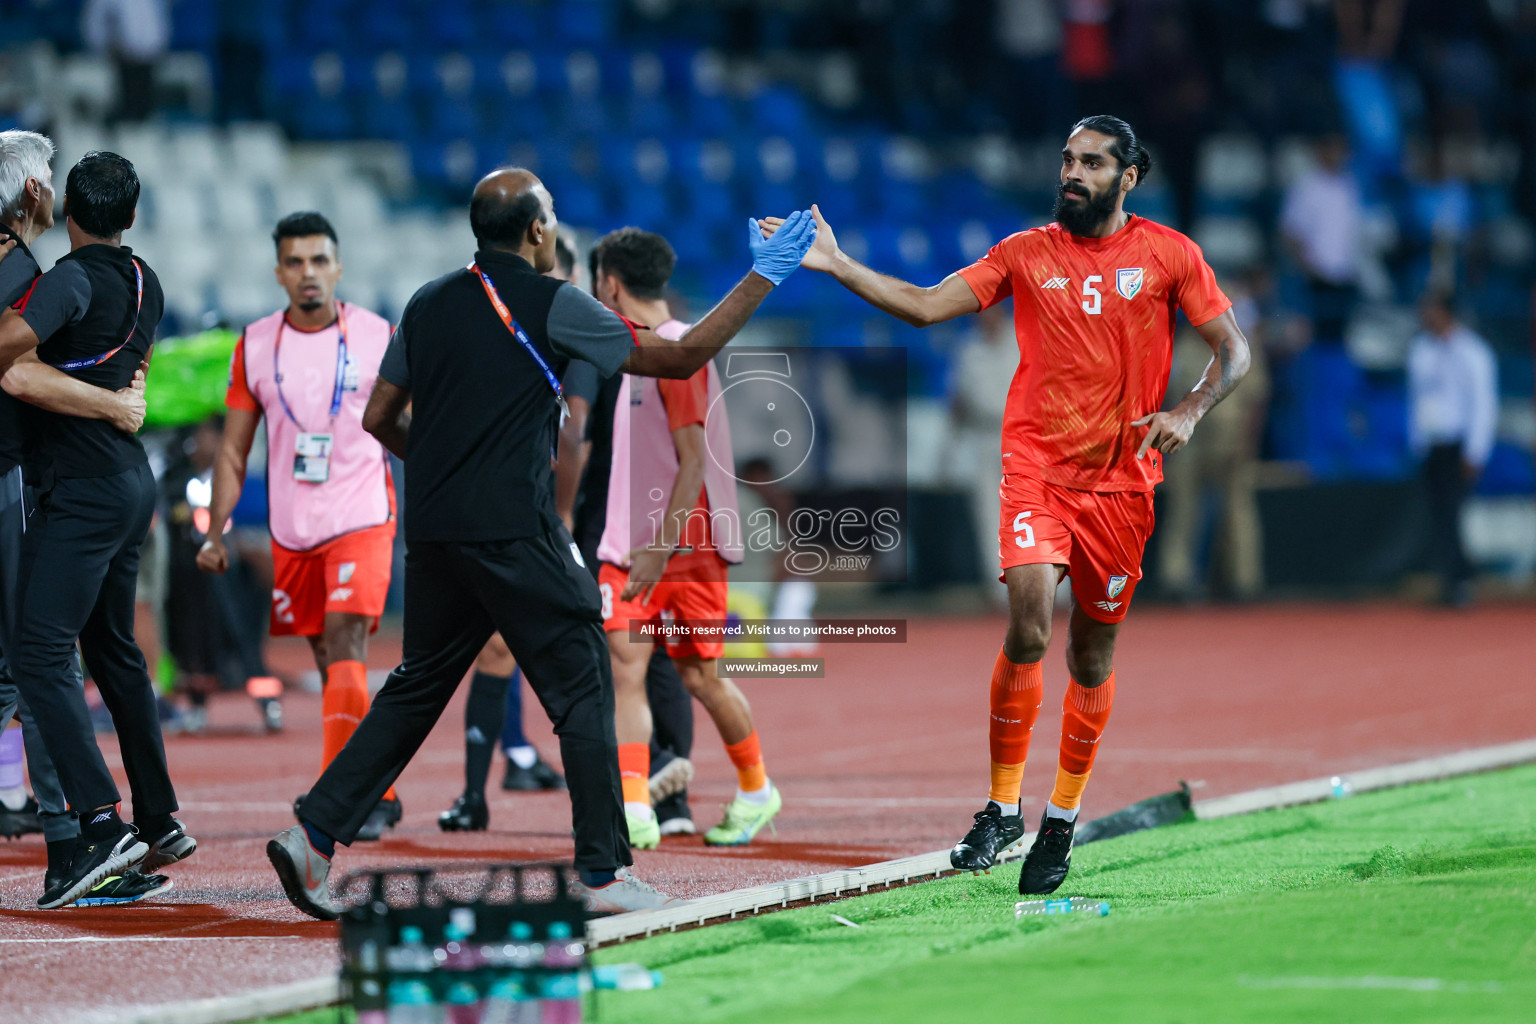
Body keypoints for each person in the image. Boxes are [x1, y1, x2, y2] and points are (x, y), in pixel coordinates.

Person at [263, 170, 816, 920]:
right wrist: (764, 275)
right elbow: (686, 357)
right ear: (535, 233)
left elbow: (381, 416)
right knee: (585, 679)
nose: (555, 230)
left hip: (433, 533)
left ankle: (314, 834)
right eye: (551, 217)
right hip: (514, 531)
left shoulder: (427, 303)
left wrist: (438, 468)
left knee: (419, 683)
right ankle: (602, 874)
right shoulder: (559, 305)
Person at [764, 116, 1250, 894]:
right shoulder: (1025, 252)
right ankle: (1001, 807)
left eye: (1091, 162)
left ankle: (1060, 820)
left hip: (1124, 487)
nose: (1072, 173)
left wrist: (1190, 410)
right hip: (1038, 470)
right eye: (1066, 158)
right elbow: (925, 306)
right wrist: (835, 263)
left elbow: (1235, 350)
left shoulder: (1170, 254)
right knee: (1028, 623)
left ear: (1128, 177)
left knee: (1091, 656)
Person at [0, 151, 193, 909]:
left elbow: (11, 365)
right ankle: (157, 816)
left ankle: (95, 825)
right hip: (127, 481)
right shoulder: (148, 279)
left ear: (66, 210)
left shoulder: (63, 279)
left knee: (40, 652)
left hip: (75, 488)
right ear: (134, 215)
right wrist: (112, 401)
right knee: (113, 651)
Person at [196, 212, 403, 840]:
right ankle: (380, 787)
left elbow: (414, 421)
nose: (308, 272)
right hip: (294, 528)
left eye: (319, 260)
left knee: (345, 641)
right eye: (296, 261)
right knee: (325, 652)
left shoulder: (377, 335)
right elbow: (233, 450)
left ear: (338, 267)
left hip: (363, 512)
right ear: (279, 271)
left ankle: (340, 799)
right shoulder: (255, 344)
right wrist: (215, 530)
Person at [591, 226, 781, 849]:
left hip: (674, 550)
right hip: (648, 545)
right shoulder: (646, 351)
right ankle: (639, 805)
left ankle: (755, 791)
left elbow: (692, 460)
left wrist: (660, 546)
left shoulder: (677, 352)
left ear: (609, 284)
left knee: (695, 678)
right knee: (631, 666)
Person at [440, 233, 583, 834]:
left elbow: (576, 442)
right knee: (513, 652)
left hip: (562, 518)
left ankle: (628, 794)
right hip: (535, 517)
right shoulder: (548, 334)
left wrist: (567, 519)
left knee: (592, 660)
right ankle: (481, 790)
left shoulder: (569, 334)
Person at [1407, 290, 1497, 607]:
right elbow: (1417, 400)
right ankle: (1451, 580)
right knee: (1438, 516)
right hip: (1432, 444)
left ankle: (1461, 579)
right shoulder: (1421, 350)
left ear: (1447, 313)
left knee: (1453, 515)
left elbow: (1483, 404)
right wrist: (1417, 440)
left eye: (1431, 310)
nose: (1425, 316)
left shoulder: (1473, 352)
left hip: (1457, 445)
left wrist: (1476, 451)